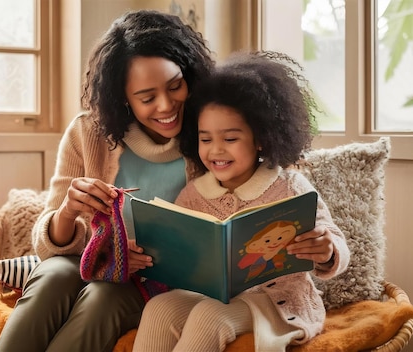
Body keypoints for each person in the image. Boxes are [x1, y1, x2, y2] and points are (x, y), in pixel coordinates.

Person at [0, 9, 215, 352]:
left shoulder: (215, 136)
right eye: (146, 97)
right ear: (122, 98)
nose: (166, 105)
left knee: (102, 297)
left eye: (175, 86)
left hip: (161, 283)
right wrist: (67, 212)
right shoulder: (88, 133)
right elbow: (47, 248)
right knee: (52, 276)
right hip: (90, 260)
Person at [132, 51, 351, 352]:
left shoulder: (289, 187)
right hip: (210, 296)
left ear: (260, 139)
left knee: (211, 317)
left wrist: (326, 250)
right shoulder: (193, 194)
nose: (216, 151)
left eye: (230, 139)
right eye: (206, 139)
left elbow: (334, 242)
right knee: (160, 308)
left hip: (278, 303)